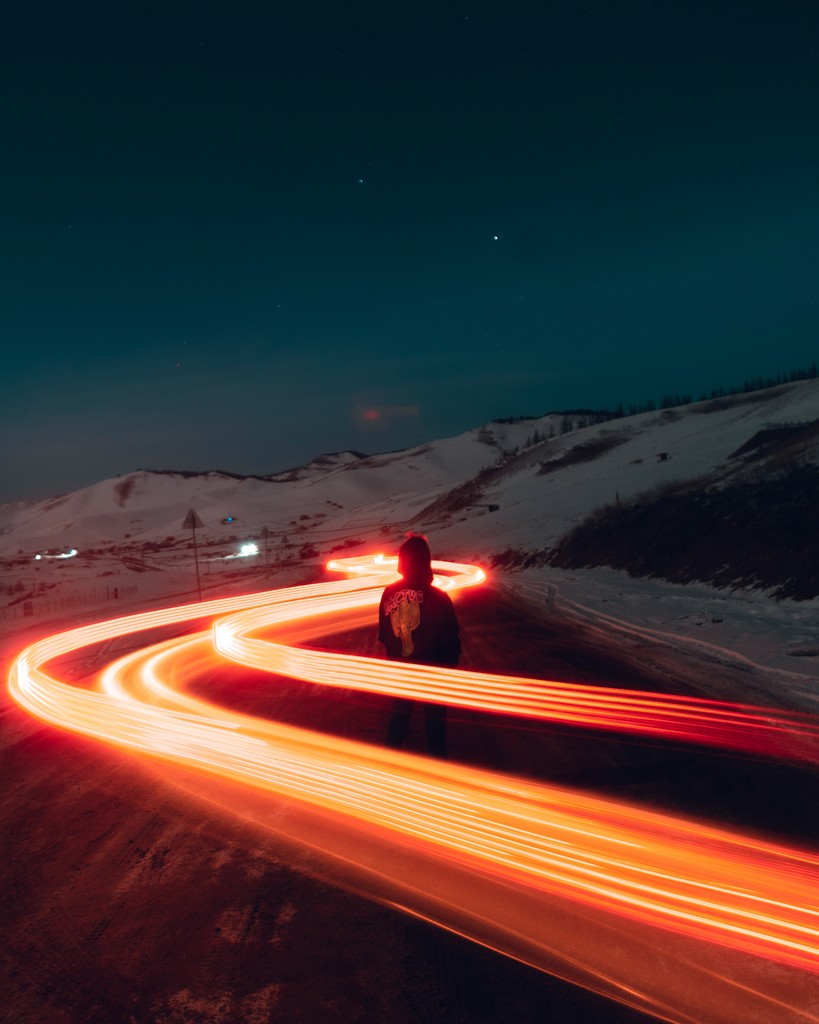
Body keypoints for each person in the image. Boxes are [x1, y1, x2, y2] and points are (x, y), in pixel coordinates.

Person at [378, 535, 460, 757]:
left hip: (402, 672)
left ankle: (387, 771)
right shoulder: (440, 598)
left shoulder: (388, 594)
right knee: (435, 730)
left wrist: (395, 659)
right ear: (426, 561)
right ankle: (438, 776)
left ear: (402, 562)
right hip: (433, 673)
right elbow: (452, 640)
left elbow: (384, 635)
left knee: (398, 724)